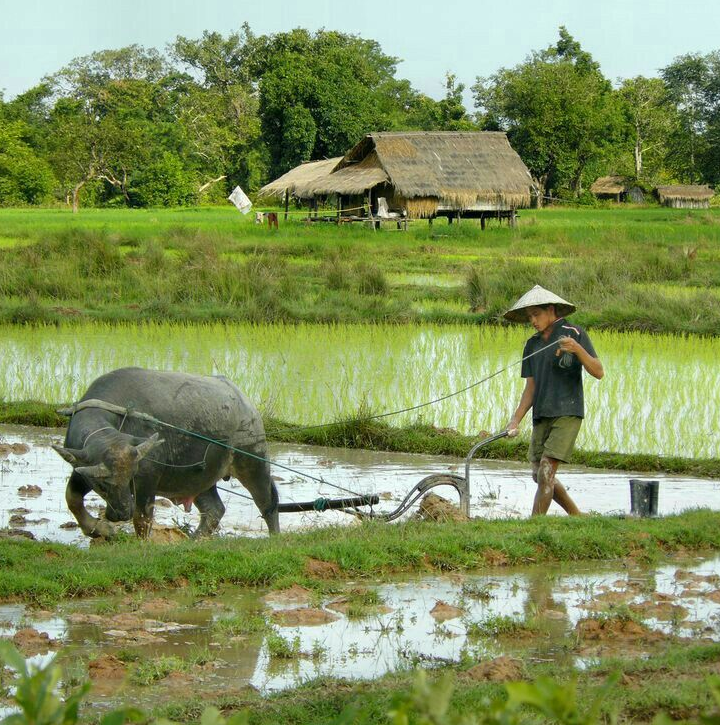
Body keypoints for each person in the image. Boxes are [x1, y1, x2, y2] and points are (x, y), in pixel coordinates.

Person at [504, 285, 604, 516]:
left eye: (536, 314)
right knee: (538, 474)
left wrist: (577, 349)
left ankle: (535, 525)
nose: (533, 321)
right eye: (529, 317)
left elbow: (598, 372)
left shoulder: (573, 333)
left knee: (546, 472)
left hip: (567, 411)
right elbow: (531, 387)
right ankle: (577, 516)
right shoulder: (532, 344)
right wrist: (515, 421)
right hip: (542, 413)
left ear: (551, 310)